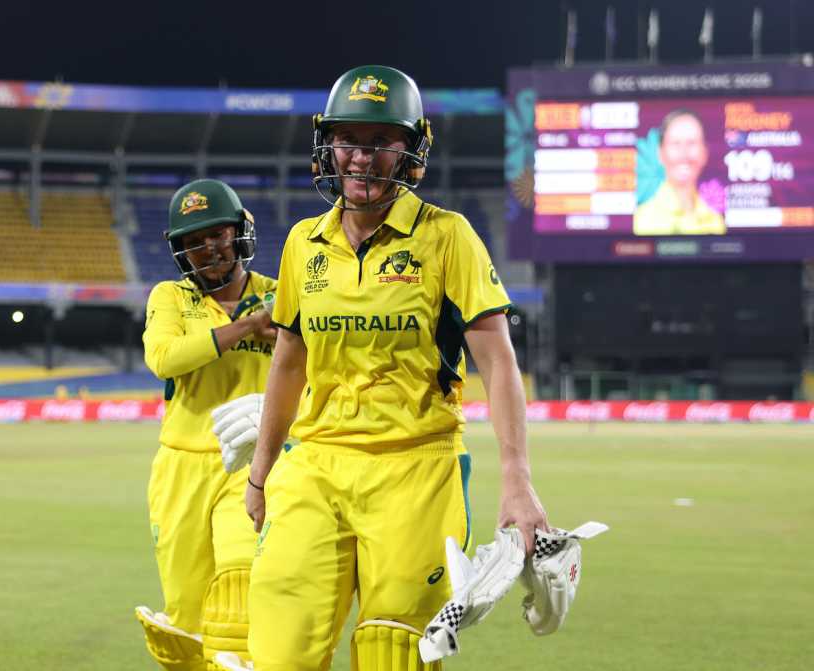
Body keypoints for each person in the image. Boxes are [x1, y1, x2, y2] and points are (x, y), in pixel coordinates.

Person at [239, 65, 549, 671]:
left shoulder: (448, 237)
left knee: (393, 652)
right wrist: (261, 471)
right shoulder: (304, 242)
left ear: (410, 150)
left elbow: (497, 359)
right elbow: (288, 364)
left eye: (381, 142)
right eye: (348, 140)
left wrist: (517, 476)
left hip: (417, 469)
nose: (361, 158)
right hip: (316, 467)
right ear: (328, 145)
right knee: (277, 654)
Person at [135, 178, 277, 670]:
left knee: (238, 590)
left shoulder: (282, 297)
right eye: (194, 241)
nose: (208, 248)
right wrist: (245, 328)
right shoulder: (170, 297)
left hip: (251, 463)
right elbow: (164, 357)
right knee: (187, 617)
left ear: (240, 233)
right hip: (179, 468)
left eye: (216, 234)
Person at [634, 109, 726, 236]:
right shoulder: (642, 219)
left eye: (691, 143)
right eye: (675, 144)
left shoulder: (715, 221)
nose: (684, 154)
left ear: (705, 152)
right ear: (660, 153)